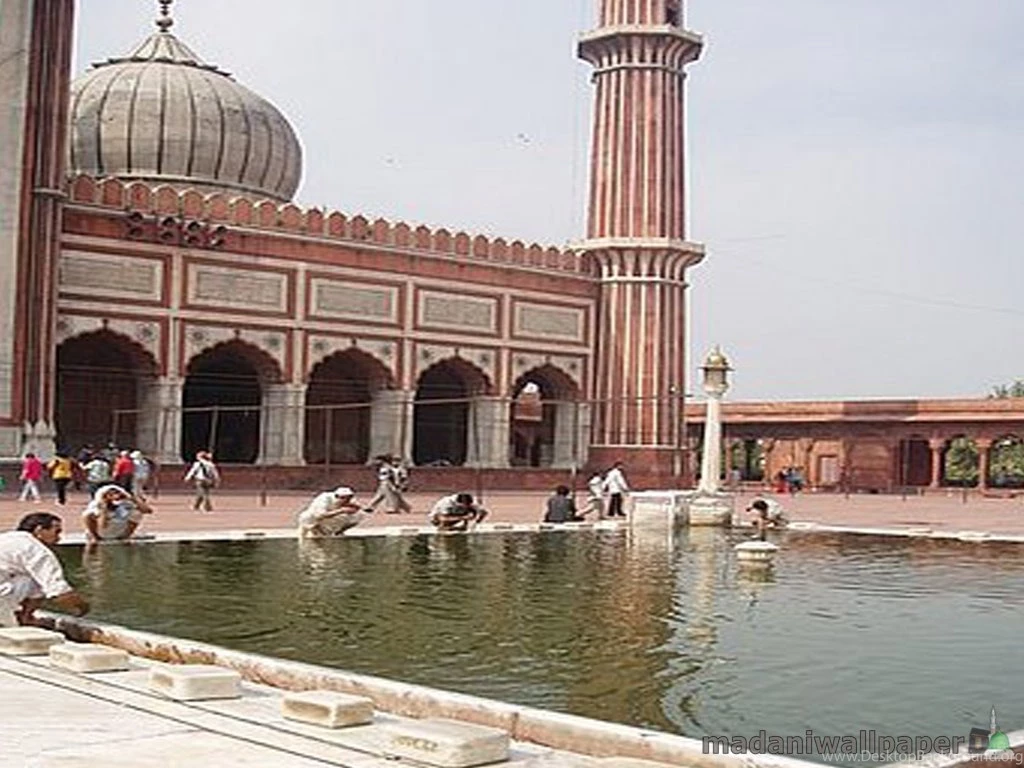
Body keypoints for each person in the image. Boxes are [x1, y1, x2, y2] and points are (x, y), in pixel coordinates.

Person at [0, 513, 90, 627]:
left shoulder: (6, 538)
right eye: (56, 532)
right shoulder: (38, 550)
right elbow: (59, 592)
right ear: (39, 530)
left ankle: (25, 616)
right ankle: (24, 618)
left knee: (29, 577)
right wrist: (82, 606)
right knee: (39, 579)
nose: (58, 538)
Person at [82, 484, 153, 542]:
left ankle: (125, 537)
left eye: (117, 492)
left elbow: (148, 511)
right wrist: (104, 509)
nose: (116, 495)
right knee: (87, 515)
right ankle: (96, 538)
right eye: (110, 494)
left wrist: (132, 498)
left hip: (120, 531)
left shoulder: (125, 503)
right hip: (102, 532)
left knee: (136, 513)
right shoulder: (97, 505)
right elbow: (102, 525)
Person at [297, 486, 367, 538]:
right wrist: (341, 510)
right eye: (344, 498)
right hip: (313, 520)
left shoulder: (349, 500)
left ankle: (337, 532)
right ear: (338, 496)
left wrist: (359, 507)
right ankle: (313, 531)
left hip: (328, 520)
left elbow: (360, 507)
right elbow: (320, 515)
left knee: (358, 516)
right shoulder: (324, 499)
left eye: (349, 498)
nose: (347, 500)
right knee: (307, 517)